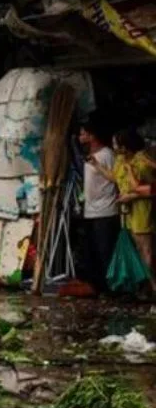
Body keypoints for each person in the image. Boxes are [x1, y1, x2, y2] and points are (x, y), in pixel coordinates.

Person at [80, 120, 120, 295]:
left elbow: (117, 178)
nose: (80, 137)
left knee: (106, 252)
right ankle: (98, 287)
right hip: (90, 210)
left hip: (105, 210)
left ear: (92, 136)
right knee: (93, 252)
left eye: (83, 134)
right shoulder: (89, 155)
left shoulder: (107, 155)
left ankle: (112, 289)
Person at [112, 127, 155, 289]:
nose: (114, 148)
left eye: (116, 144)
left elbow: (143, 188)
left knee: (145, 250)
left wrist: (131, 195)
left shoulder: (142, 162)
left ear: (125, 147)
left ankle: (152, 286)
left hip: (142, 210)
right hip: (129, 211)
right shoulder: (123, 161)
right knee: (138, 248)